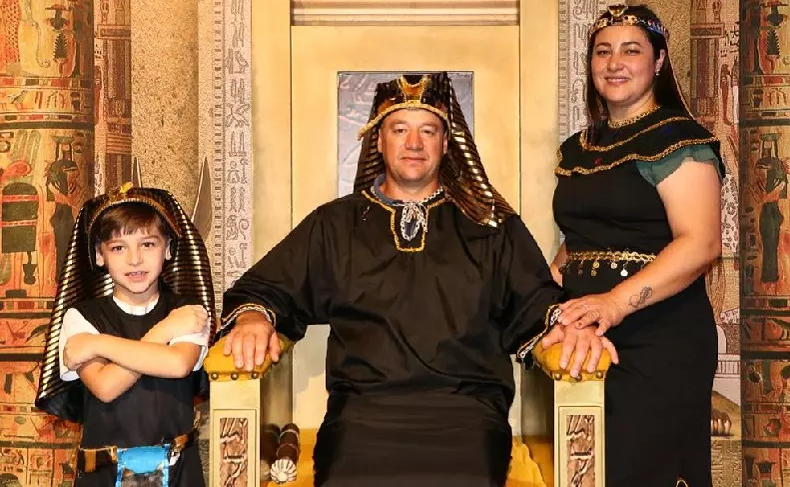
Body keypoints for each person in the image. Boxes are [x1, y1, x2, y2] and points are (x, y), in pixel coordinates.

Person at [218, 72, 618, 487]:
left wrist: (566, 327)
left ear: (445, 143)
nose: (414, 143)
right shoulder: (335, 224)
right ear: (378, 140)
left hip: (467, 412)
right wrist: (253, 318)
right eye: (399, 129)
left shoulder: (492, 226)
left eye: (428, 131)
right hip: (362, 413)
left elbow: (534, 300)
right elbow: (266, 287)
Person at [548, 5, 724, 487]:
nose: (614, 63)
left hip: (659, 336)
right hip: (586, 336)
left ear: (658, 60)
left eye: (631, 51)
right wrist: (543, 302)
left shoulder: (679, 139)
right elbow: (578, 242)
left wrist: (613, 303)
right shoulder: (577, 148)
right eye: (602, 51)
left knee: (639, 470)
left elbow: (701, 243)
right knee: (587, 472)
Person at [35, 183, 216, 487]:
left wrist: (98, 344)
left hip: (178, 474)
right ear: (99, 254)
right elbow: (106, 386)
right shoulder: (81, 317)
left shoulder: (188, 311)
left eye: (148, 244)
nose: (135, 259)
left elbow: (177, 364)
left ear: (168, 248)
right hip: (102, 475)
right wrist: (166, 331)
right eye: (118, 248)